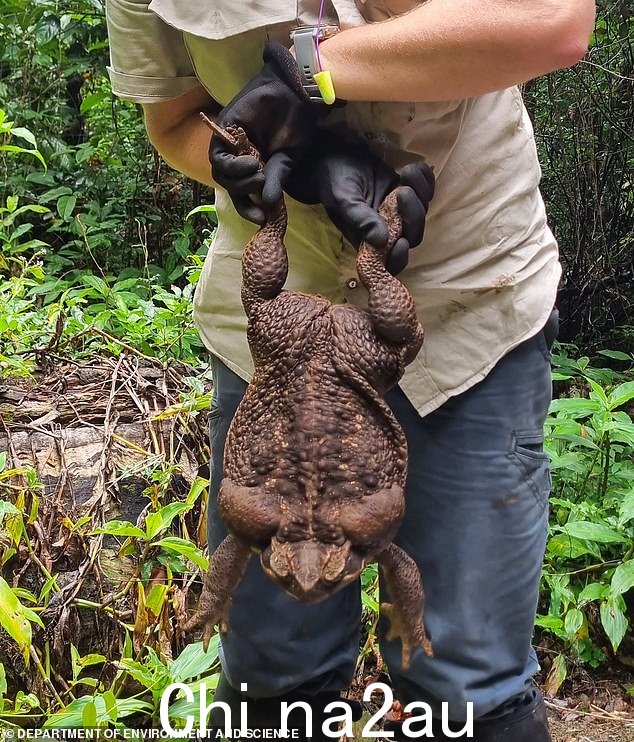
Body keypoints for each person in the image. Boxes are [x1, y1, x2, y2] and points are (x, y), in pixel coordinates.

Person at [106, 2, 595, 740]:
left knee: (466, 687)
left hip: (467, 302)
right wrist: (245, 163)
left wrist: (305, 74)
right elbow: (174, 121)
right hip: (273, 333)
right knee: (271, 677)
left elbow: (555, 22)